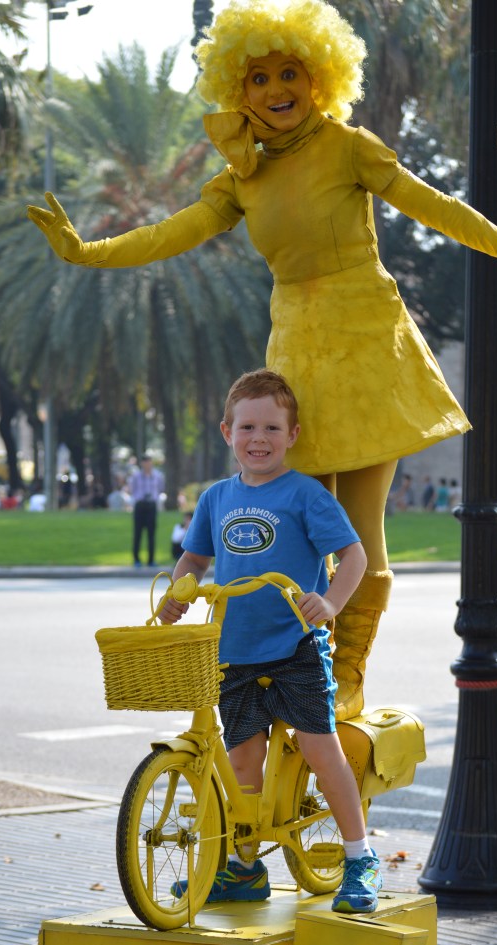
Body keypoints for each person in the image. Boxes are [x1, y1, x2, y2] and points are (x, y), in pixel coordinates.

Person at [27, 0, 497, 720]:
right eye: (257, 78)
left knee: (357, 531)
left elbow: (435, 207)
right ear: (239, 89)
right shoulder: (242, 176)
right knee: (289, 524)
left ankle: (348, 673)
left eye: (287, 72)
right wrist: (86, 252)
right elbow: (173, 232)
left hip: (366, 347)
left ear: (317, 76)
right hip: (294, 350)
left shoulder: (348, 144)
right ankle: (292, 670)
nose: (273, 90)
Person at [159, 368, 381, 913]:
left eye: (272, 428)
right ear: (226, 432)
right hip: (232, 649)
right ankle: (243, 867)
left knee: (321, 751)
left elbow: (354, 556)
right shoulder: (215, 498)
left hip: (296, 647)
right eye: (248, 427)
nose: (259, 438)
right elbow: (195, 557)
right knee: (241, 766)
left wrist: (329, 602)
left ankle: (359, 858)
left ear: (293, 435)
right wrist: (179, 590)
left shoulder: (304, 494)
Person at [130, 453, 165, 566]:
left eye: (149, 462)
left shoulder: (157, 476)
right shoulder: (136, 476)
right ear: (142, 463)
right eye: (145, 462)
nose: (147, 464)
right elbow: (133, 489)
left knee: (151, 533)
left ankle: (151, 560)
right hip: (140, 505)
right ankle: (136, 559)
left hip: (151, 506)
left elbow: (160, 488)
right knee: (137, 533)